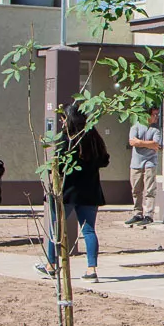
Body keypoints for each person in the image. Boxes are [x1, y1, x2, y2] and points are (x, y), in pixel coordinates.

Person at [57, 106, 109, 279]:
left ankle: (51, 264)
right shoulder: (93, 137)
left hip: (69, 191)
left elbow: (59, 166)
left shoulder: (68, 139)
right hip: (90, 190)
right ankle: (91, 268)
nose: (61, 122)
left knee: (57, 229)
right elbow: (104, 160)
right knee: (88, 230)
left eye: (63, 118)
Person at [127, 106, 163, 226]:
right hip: (136, 163)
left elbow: (156, 145)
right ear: (147, 115)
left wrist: (140, 142)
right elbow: (132, 142)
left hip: (150, 162)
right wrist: (147, 144)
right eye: (154, 115)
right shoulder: (136, 126)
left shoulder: (156, 129)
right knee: (136, 190)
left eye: (157, 114)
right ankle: (137, 213)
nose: (156, 117)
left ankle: (149, 215)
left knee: (150, 189)